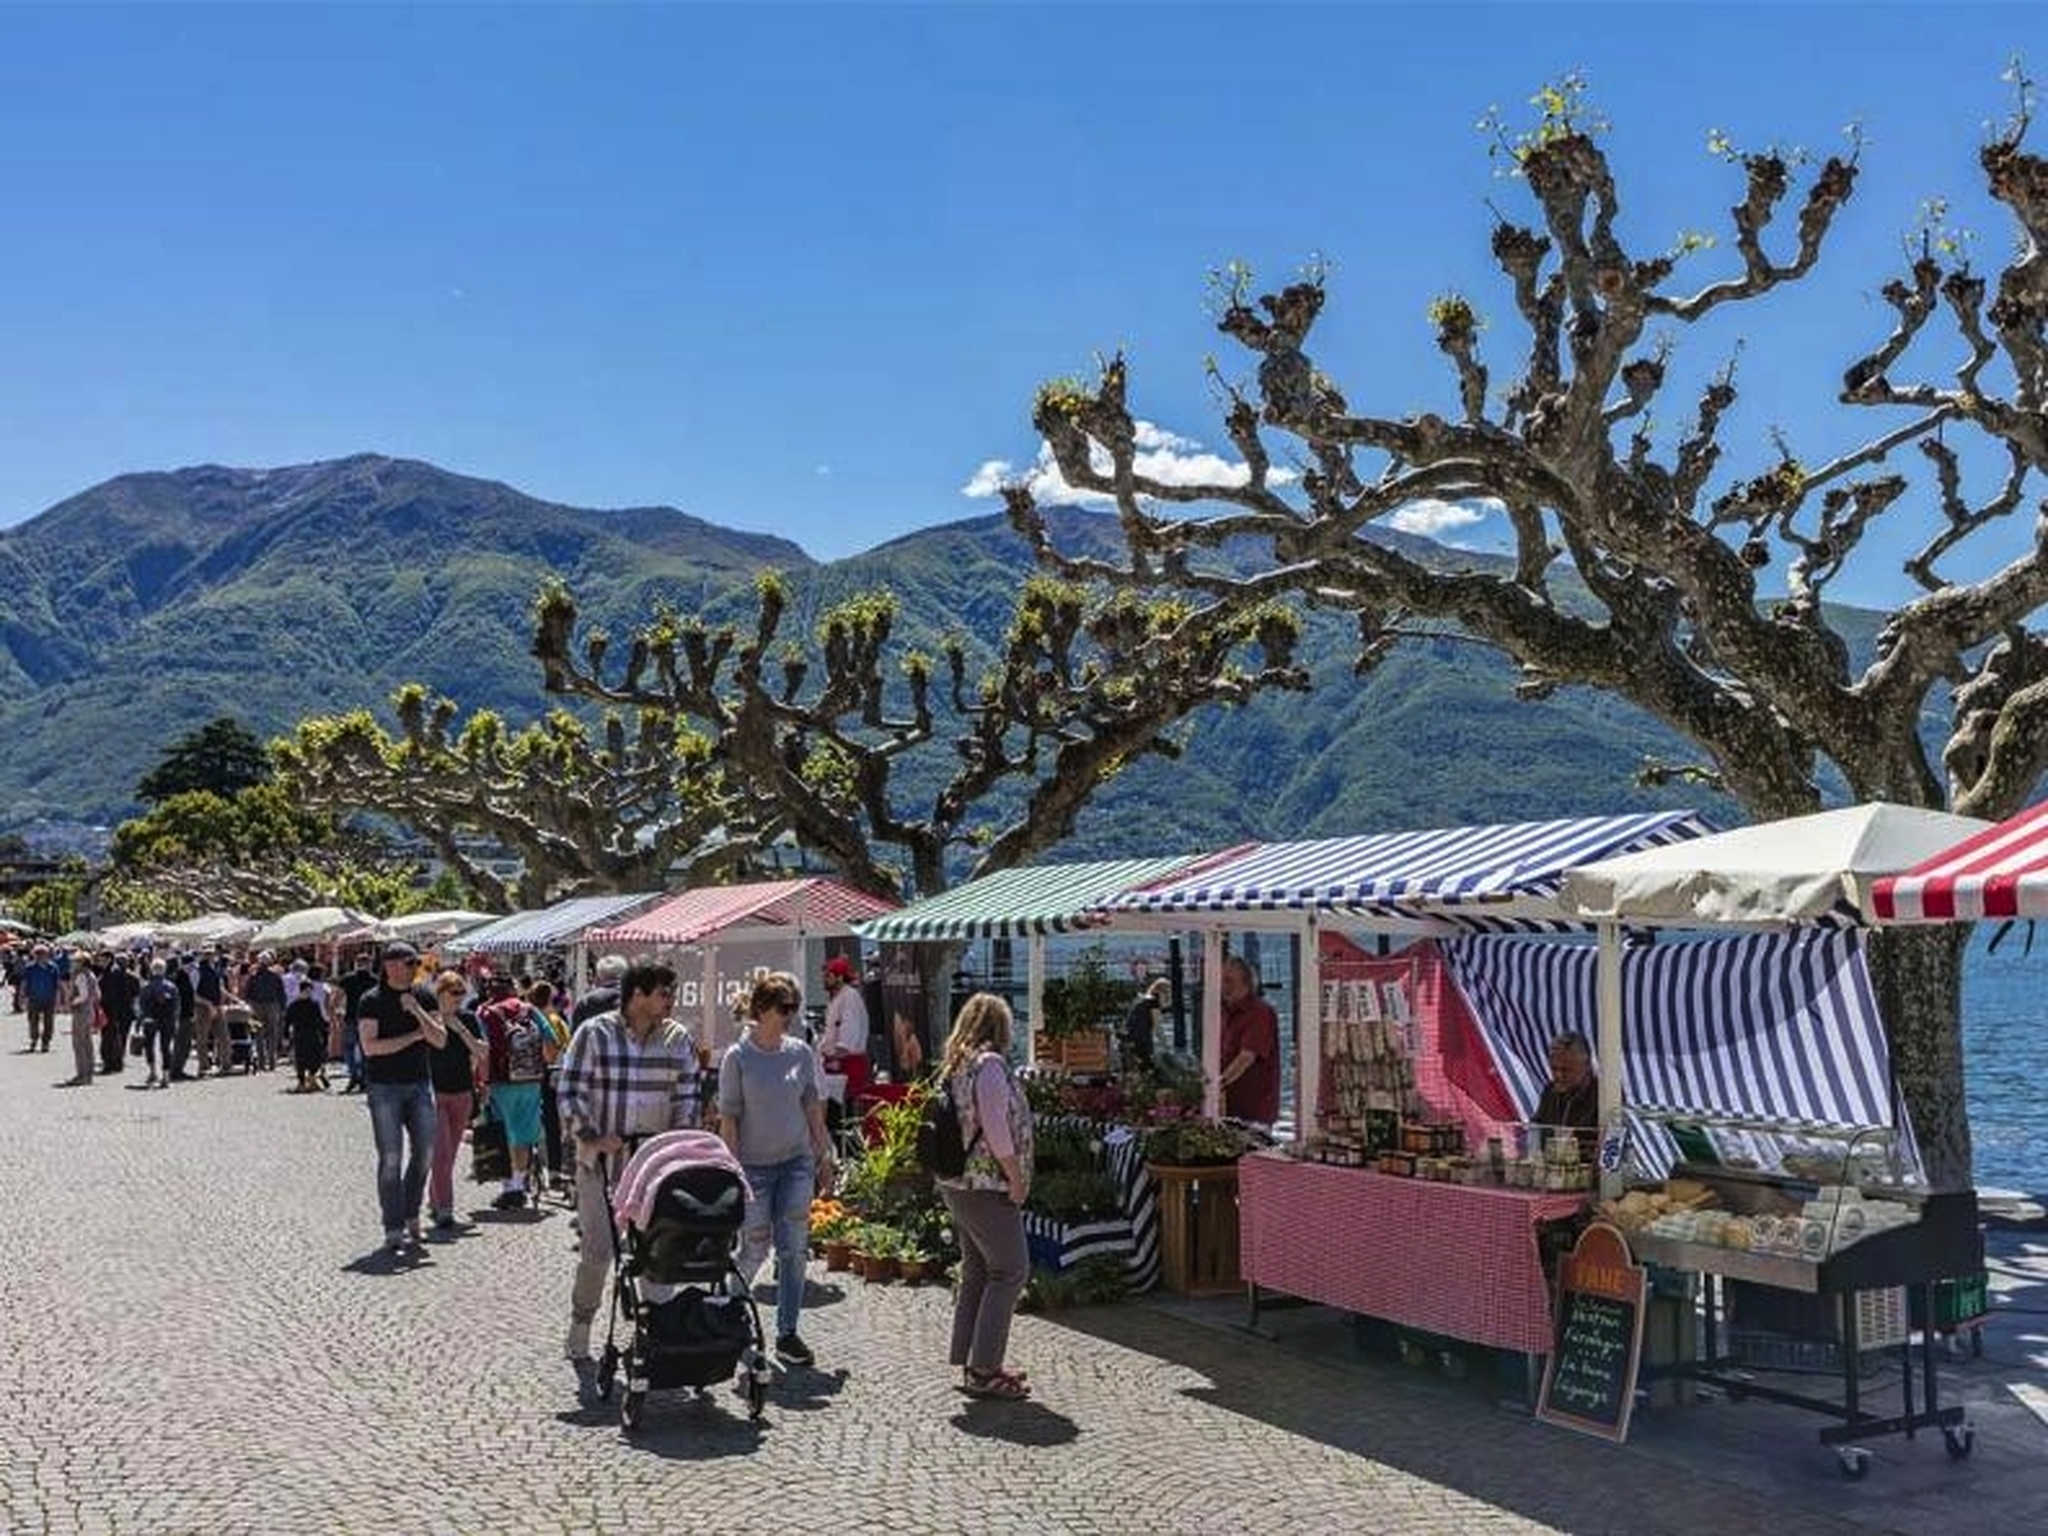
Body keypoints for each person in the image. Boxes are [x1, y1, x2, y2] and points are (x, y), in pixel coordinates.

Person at [556, 958, 700, 1407]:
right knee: (598, 1252)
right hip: (601, 1164)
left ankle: (657, 1336)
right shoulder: (594, 1034)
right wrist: (592, 1137)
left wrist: (680, 1150)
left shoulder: (678, 1039)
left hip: (654, 1169)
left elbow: (688, 1098)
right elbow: (570, 1090)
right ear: (637, 994)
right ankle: (582, 1324)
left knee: (657, 1254)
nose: (669, 1003)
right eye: (663, 994)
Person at [718, 970, 833, 1370]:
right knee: (755, 1247)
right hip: (753, 1167)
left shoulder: (799, 1052)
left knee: (794, 1249)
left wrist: (825, 1154)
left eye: (794, 1008)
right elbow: (729, 1119)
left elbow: (812, 1107)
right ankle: (731, 1308)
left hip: (796, 1162)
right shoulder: (739, 1057)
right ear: (762, 1010)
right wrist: (731, 1170)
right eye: (784, 1008)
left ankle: (787, 1332)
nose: (791, 1016)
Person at [933, 992, 1034, 1400]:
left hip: (958, 1182)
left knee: (977, 1270)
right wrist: (1016, 1178)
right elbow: (996, 1129)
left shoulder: (955, 1064)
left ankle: (970, 1358)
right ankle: (984, 1367)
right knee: (1010, 1270)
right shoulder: (989, 1066)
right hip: (986, 1183)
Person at [357, 941, 446, 1255]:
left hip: (419, 1084)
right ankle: (393, 1227)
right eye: (406, 963)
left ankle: (411, 1213)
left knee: (424, 1153)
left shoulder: (424, 995)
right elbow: (371, 1047)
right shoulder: (371, 1000)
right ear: (389, 966)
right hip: (384, 1087)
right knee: (391, 1158)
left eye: (412, 963)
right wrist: (412, 1037)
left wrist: (417, 1012)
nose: (410, 969)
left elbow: (439, 1039)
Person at [478, 975, 549, 1211]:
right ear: (513, 989)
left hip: (501, 1082)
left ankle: (509, 1189)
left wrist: (483, 1082)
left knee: (502, 1133)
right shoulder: (529, 1010)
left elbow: (483, 1051)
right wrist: (540, 1065)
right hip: (531, 1080)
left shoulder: (485, 1013)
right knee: (523, 1134)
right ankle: (518, 1185)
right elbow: (552, 1041)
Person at [425, 969, 487, 1237]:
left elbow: (481, 1052)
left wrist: (459, 1028)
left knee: (449, 1155)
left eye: (462, 993)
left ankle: (434, 1198)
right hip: (434, 1093)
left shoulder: (468, 1018)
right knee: (441, 1151)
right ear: (440, 993)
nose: (459, 999)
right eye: (454, 993)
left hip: (462, 1092)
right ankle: (446, 1209)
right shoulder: (428, 1019)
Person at [1217, 955, 1280, 1124]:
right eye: (1222, 981)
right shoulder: (1223, 1011)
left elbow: (1247, 1056)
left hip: (1254, 1111)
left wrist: (1219, 1084)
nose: (1223, 986)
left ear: (1245, 982)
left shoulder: (1260, 1013)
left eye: (1229, 981)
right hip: (1227, 1107)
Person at [1534, 1030, 1600, 1158]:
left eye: (1566, 1070)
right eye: (1554, 1068)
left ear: (1586, 1066)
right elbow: (1536, 1130)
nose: (1558, 1075)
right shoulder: (1550, 1091)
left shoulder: (1606, 1094)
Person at [818, 954, 871, 1103]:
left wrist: (832, 1059)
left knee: (848, 1109)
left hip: (849, 1064)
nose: (824, 980)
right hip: (836, 1063)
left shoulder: (850, 998)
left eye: (828, 976)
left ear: (840, 977)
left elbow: (848, 1038)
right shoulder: (836, 998)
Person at [137, 958, 180, 1089]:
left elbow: (141, 1006)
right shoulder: (172, 987)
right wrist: (175, 1020)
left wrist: (139, 1023)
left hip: (150, 1019)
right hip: (167, 1020)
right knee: (166, 1047)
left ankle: (152, 1072)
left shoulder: (146, 987)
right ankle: (166, 1077)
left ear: (152, 970)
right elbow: (177, 1006)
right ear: (164, 970)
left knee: (149, 1046)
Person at [61, 951, 100, 1088]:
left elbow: (83, 995)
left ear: (82, 962)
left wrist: (72, 1002)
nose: (73, 963)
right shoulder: (91, 974)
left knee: (79, 1044)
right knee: (87, 1043)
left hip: (81, 1011)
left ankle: (82, 1075)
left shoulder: (81, 975)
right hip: (90, 1010)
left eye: (75, 961)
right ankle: (88, 1074)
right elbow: (97, 994)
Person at [97, 953, 138, 1077]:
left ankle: (110, 1063)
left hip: (111, 1010)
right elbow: (136, 994)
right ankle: (118, 1062)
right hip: (125, 1011)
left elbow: (107, 994)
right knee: (121, 1037)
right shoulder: (131, 976)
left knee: (109, 1038)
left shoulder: (110, 974)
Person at [1120, 977, 1170, 1073]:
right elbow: (1157, 1026)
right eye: (1167, 993)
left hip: (1130, 1037)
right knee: (1149, 1069)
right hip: (1142, 1039)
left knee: (1138, 1069)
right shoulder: (1153, 1001)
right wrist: (1165, 1045)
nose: (1168, 996)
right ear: (1160, 991)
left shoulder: (1141, 999)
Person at [20, 942, 59, 1053]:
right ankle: (34, 1039)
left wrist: (60, 999)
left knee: (49, 1022)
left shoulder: (53, 968)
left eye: (43, 954)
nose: (40, 956)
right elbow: (24, 983)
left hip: (49, 998)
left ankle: (45, 1042)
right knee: (33, 1021)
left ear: (47, 955)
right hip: (33, 998)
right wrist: (22, 996)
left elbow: (57, 985)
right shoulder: (30, 968)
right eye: (38, 954)